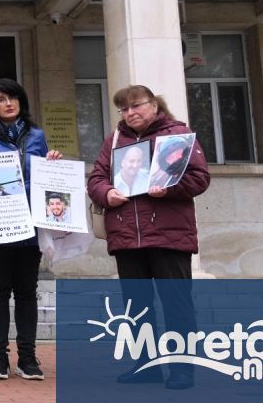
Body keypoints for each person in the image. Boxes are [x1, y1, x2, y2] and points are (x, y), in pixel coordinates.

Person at [87, 85, 210, 390]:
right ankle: (147, 365)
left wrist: (169, 188)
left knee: (176, 304)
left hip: (168, 236)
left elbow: (199, 177)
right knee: (137, 308)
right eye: (124, 109)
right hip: (127, 237)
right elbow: (96, 179)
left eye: (136, 106)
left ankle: (183, 370)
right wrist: (107, 193)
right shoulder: (114, 141)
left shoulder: (177, 135)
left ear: (154, 105)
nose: (130, 113)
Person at [0, 78, 61, 382]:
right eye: (1, 99)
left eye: (13, 98)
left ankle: (28, 358)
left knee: (26, 292)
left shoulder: (36, 135)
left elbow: (43, 178)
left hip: (29, 224)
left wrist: (51, 164)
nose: (8, 103)